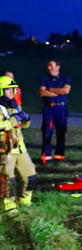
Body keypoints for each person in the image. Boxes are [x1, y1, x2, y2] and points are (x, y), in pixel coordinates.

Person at [0, 76, 37, 210]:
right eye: (8, 89)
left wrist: (26, 119)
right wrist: (15, 118)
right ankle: (9, 210)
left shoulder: (13, 106)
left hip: (20, 148)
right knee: (7, 181)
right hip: (4, 150)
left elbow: (22, 126)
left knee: (30, 176)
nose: (12, 92)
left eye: (13, 89)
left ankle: (25, 203)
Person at [39, 59, 71, 163]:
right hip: (49, 108)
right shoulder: (44, 78)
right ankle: (46, 156)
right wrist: (59, 92)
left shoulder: (65, 78)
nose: (49, 68)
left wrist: (50, 90)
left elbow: (66, 90)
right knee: (47, 131)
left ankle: (59, 156)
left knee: (61, 131)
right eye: (48, 66)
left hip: (61, 108)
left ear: (58, 67)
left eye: (51, 66)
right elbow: (42, 92)